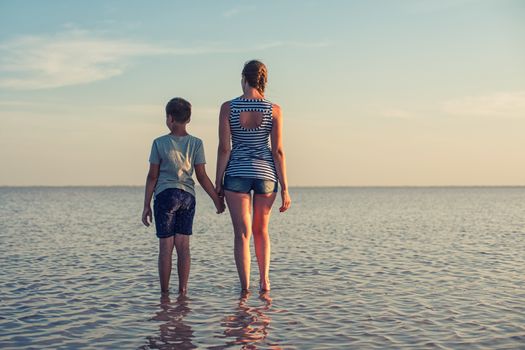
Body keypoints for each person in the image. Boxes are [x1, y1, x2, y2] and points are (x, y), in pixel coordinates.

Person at [215, 60, 291, 292]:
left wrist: (218, 181)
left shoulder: (228, 108)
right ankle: (265, 281)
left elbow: (224, 148)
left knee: (242, 234)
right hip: (266, 174)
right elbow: (278, 151)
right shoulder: (274, 110)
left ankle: (245, 288)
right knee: (261, 231)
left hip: (237, 172)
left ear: (243, 79)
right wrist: (286, 188)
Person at [142, 97, 225, 295]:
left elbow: (152, 176)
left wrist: (146, 205)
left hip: (165, 196)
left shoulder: (159, 143)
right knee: (183, 247)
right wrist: (217, 200)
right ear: (188, 119)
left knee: (165, 247)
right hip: (187, 197)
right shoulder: (196, 143)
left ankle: (164, 295)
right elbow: (202, 176)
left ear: (170, 118)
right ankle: (183, 292)